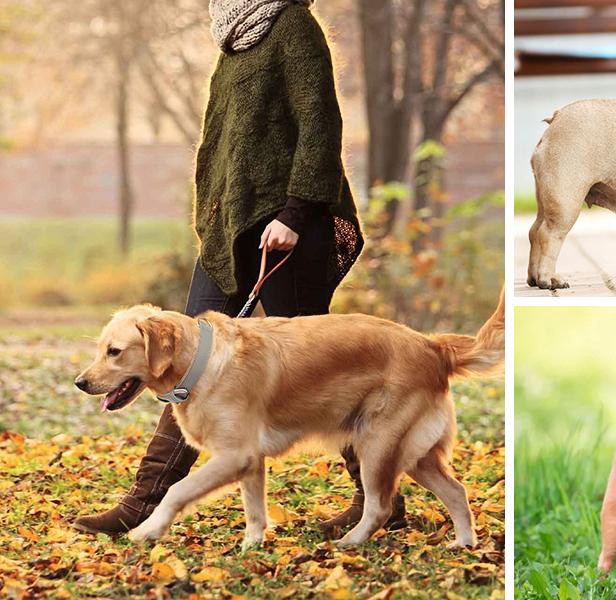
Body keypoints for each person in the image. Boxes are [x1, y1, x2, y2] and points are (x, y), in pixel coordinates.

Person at [73, 0, 407, 536]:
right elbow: (222, 147)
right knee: (178, 359)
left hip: (285, 231)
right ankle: (144, 501)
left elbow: (319, 122)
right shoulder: (233, 40)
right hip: (231, 234)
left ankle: (381, 504)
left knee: (321, 369)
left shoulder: (292, 26)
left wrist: (296, 213)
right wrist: (213, 217)